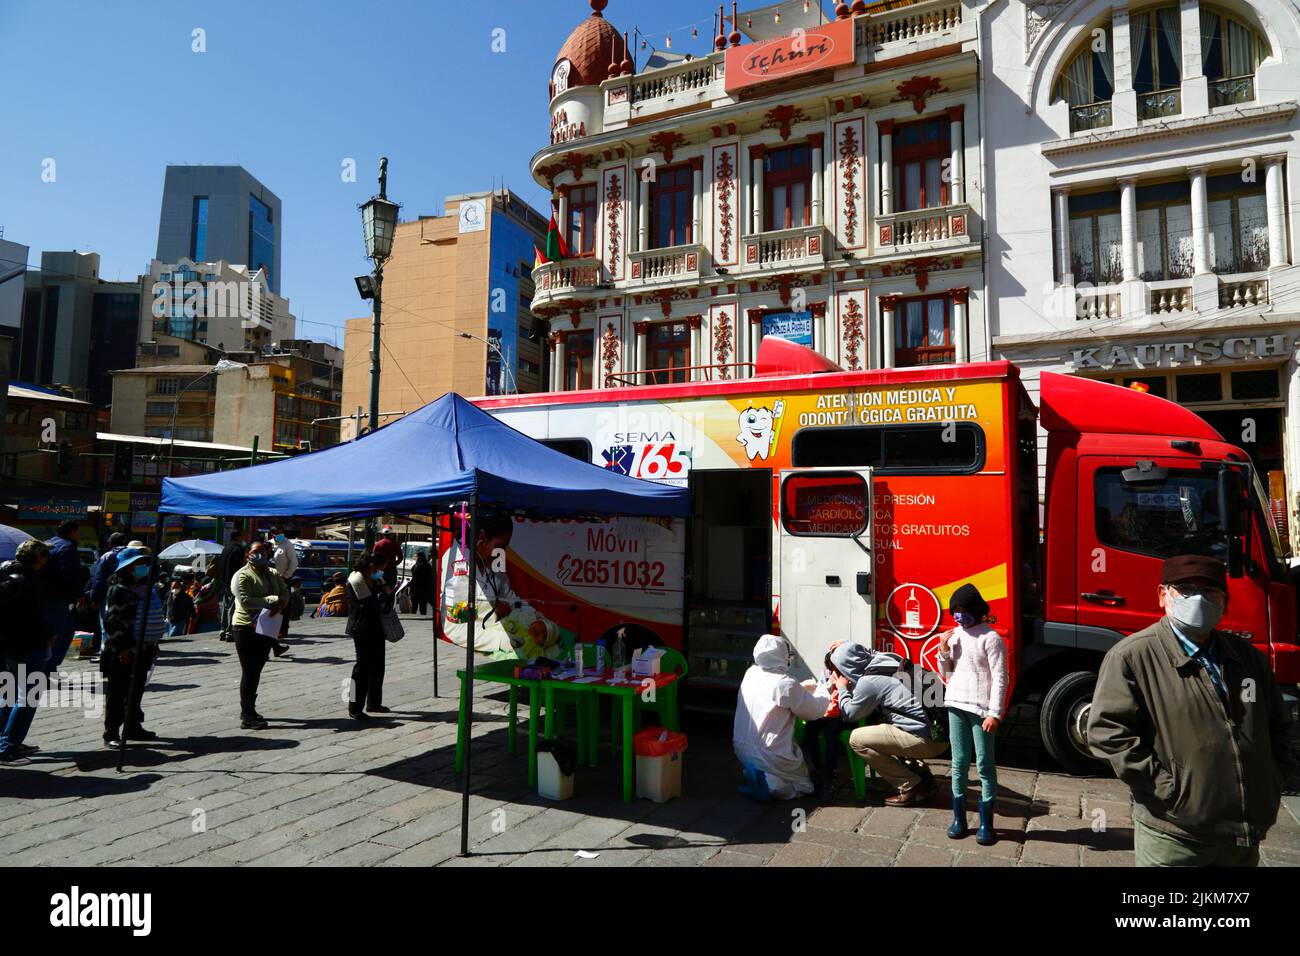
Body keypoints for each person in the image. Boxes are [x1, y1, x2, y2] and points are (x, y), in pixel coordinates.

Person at [1088, 555, 1296, 867]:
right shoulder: (1133, 657)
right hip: (1175, 837)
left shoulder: (1248, 659)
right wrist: (1169, 790)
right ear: (1163, 595)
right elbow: (1107, 733)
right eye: (1185, 590)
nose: (1198, 599)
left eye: (1210, 591)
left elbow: (1279, 726)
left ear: (1223, 602)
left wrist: (1272, 781)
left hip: (1242, 837)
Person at [834, 641, 947, 806]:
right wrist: (845, 647)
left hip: (927, 742)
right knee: (893, 725)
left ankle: (911, 786)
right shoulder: (889, 658)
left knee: (857, 739)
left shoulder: (869, 681)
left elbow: (850, 714)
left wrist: (842, 688)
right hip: (942, 733)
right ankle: (924, 777)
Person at [937, 583, 1008, 845]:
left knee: (984, 765)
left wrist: (994, 713)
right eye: (954, 611)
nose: (958, 617)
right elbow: (946, 673)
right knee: (958, 763)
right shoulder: (955, 635)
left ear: (975, 611)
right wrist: (943, 650)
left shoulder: (991, 638)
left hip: (980, 711)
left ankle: (986, 823)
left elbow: (1001, 678)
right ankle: (959, 819)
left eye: (962, 611)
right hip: (955, 704)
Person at [439, 513, 559, 659]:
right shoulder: (458, 566)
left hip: (494, 646)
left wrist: (539, 621)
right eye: (499, 546)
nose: (501, 553)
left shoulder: (491, 560)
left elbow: (510, 598)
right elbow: (455, 629)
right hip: (464, 655)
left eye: (505, 547)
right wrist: (500, 640)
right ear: (482, 538)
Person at [733, 633, 831, 800]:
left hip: (741, 748)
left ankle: (754, 774)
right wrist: (824, 688)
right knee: (804, 785)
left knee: (770, 767)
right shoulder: (785, 683)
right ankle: (770, 785)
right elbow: (814, 711)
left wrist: (801, 689)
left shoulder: (751, 672)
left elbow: (772, 696)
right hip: (772, 755)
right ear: (782, 656)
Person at [100, 546, 165, 746]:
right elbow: (113, 622)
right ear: (128, 567)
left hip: (144, 647)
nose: (143, 567)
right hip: (123, 650)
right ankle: (111, 733)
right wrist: (123, 648)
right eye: (139, 564)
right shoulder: (118, 590)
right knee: (118, 692)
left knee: (136, 690)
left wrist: (153, 643)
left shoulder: (145, 588)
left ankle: (133, 727)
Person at [0, 541, 54, 764]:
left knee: (8, 695)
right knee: (27, 696)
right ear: (39, 557)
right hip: (25, 645)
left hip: (9, 646)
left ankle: (7, 742)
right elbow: (30, 618)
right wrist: (48, 633)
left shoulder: (8, 574)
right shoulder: (24, 581)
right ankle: (6, 747)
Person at [230, 541, 290, 730]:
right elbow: (246, 601)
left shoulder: (272, 573)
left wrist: (280, 605)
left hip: (266, 625)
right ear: (248, 554)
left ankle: (250, 709)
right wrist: (272, 600)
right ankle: (247, 714)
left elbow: (285, 593)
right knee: (249, 670)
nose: (260, 555)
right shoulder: (242, 575)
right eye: (255, 552)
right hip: (245, 626)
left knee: (257, 669)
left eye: (263, 551)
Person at [345, 553, 391, 719]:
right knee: (362, 668)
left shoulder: (374, 578)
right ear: (371, 565)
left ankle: (374, 702)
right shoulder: (356, 579)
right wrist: (381, 598)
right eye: (380, 568)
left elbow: (380, 597)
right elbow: (366, 605)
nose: (381, 572)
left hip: (376, 626)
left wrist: (386, 591)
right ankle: (354, 707)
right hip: (362, 628)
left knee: (378, 666)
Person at [40, 519, 85, 672]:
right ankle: (48, 669)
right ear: (72, 532)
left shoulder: (48, 543)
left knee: (61, 632)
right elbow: (71, 575)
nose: (79, 535)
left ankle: (47, 669)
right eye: (78, 531)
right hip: (57, 598)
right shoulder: (68, 548)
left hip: (44, 596)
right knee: (61, 634)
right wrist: (79, 595)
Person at [85, 532, 129, 655]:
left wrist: (94, 598)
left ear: (110, 543)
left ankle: (106, 652)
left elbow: (98, 579)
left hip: (109, 595)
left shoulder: (107, 556)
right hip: (130, 595)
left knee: (107, 625)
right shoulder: (131, 554)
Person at [216, 529, 247, 642]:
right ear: (239, 537)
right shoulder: (239, 550)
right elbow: (240, 568)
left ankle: (223, 630)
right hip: (235, 582)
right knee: (233, 607)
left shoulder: (226, 549)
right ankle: (229, 632)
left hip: (224, 581)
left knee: (225, 607)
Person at [409, 550, 434, 616]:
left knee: (414, 606)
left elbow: (415, 577)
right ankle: (423, 617)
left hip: (417, 589)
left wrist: (409, 584)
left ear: (419, 557)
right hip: (425, 590)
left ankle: (414, 617)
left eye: (416, 556)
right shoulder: (428, 565)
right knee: (423, 607)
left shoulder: (418, 565)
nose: (415, 557)